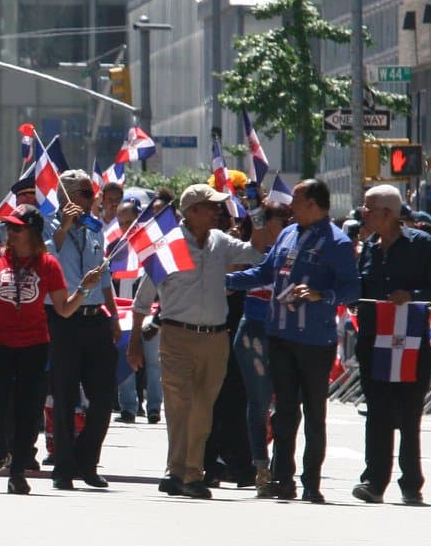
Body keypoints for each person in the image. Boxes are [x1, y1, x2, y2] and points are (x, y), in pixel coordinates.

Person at [225, 179, 360, 503]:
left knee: (314, 413)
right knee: (284, 410)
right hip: (280, 335)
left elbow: (352, 290)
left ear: (313, 204)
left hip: (315, 340)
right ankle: (283, 478)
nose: (290, 208)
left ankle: (312, 482)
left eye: (296, 201)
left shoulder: (337, 243)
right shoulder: (288, 233)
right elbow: (264, 273)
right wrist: (222, 280)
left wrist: (320, 294)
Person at [127, 185, 261, 499]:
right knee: (179, 406)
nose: (217, 212)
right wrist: (134, 342)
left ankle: (182, 471)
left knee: (203, 410)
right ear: (192, 212)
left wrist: (257, 214)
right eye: (210, 206)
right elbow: (142, 300)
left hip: (215, 339)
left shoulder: (220, 242)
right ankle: (185, 473)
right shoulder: (168, 246)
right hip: (176, 336)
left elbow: (256, 251)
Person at [0, 204, 104, 494]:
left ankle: (18, 471)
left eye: (16, 228)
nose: (9, 232)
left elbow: (64, 309)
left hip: (33, 344)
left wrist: (83, 289)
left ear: (32, 232)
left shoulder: (48, 265)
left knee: (27, 409)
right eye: (8, 226)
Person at [351, 184, 431, 505]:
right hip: (374, 342)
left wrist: (412, 297)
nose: (363, 213)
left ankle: (411, 483)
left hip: (410, 343)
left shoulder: (420, 245)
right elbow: (360, 286)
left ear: (388, 214)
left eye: (369, 208)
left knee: (408, 415)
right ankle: (373, 481)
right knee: (377, 414)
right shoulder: (368, 247)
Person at [45, 171, 117, 490]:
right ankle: (63, 466)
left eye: (92, 194)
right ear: (67, 196)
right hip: (64, 317)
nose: (93, 199)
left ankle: (87, 461)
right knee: (64, 395)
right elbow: (49, 256)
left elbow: (104, 277)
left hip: (94, 316)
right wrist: (64, 225)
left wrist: (113, 316)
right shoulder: (49, 224)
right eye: (86, 193)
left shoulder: (95, 229)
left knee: (103, 397)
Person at [233, 195, 292, 489]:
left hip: (284, 334)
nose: (287, 226)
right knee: (258, 403)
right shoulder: (256, 251)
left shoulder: (293, 250)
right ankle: (261, 467)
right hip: (254, 331)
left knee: (287, 405)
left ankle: (284, 465)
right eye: (282, 220)